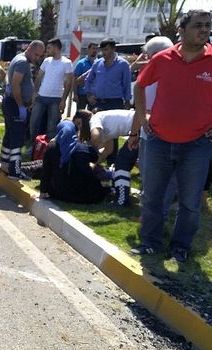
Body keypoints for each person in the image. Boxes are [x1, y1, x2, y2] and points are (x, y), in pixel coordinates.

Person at [128, 10, 212, 262]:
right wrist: (143, 119)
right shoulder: (163, 58)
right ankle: (150, 243)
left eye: (208, 26)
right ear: (182, 29)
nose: (205, 30)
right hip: (159, 141)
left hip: (197, 144)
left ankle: (180, 247)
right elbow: (140, 85)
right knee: (152, 196)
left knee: (189, 201)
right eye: (198, 25)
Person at [0, 40, 45, 180]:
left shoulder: (19, 59)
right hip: (15, 104)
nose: (37, 58)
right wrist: (20, 106)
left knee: (10, 135)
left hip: (12, 103)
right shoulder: (22, 62)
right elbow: (15, 84)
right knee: (17, 139)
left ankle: (4, 164)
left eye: (39, 56)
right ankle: (15, 170)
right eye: (36, 54)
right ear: (30, 49)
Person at [39, 110, 108, 204]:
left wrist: (43, 192)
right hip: (83, 195)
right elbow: (96, 157)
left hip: (57, 193)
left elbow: (46, 171)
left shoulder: (51, 147)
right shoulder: (82, 149)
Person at [29, 38, 74, 143]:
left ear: (56, 48)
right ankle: (33, 145)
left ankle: (48, 148)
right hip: (41, 96)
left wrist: (63, 100)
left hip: (56, 98)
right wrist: (35, 93)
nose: (47, 50)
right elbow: (39, 77)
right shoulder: (46, 61)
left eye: (49, 48)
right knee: (34, 122)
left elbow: (68, 82)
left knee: (51, 126)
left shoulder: (67, 62)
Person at [73, 42, 98, 111]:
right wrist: (75, 94)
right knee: (80, 114)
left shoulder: (99, 63)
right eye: (93, 48)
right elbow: (75, 80)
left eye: (96, 49)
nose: (95, 51)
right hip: (82, 94)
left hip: (94, 95)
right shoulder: (81, 63)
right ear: (88, 50)